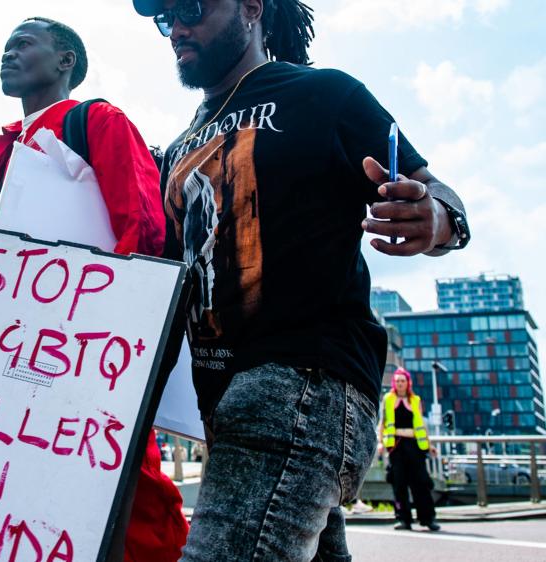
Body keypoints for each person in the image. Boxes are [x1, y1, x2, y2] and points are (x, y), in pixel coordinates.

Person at [129, 0, 470, 559]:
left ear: (251, 7)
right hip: (225, 409)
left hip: (301, 385)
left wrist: (437, 218)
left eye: (191, 6)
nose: (177, 27)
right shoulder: (180, 146)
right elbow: (166, 287)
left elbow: (438, 192)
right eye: (165, 17)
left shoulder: (325, 95)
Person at [0, 17, 188, 561]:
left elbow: (143, 228)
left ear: (65, 61)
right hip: (22, 347)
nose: (8, 54)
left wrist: (107, 338)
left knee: (124, 484)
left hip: (89, 351)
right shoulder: (8, 147)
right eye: (5, 45)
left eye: (23, 43)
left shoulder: (97, 120)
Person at [382, 367, 439, 531]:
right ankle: (403, 519)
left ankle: (427, 518)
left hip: (414, 446)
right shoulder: (388, 399)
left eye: (403, 381)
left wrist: (429, 444)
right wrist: (380, 443)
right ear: (394, 383)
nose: (400, 384)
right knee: (398, 484)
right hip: (396, 446)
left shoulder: (415, 400)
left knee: (421, 483)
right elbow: (383, 422)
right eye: (397, 381)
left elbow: (421, 424)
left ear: (408, 383)